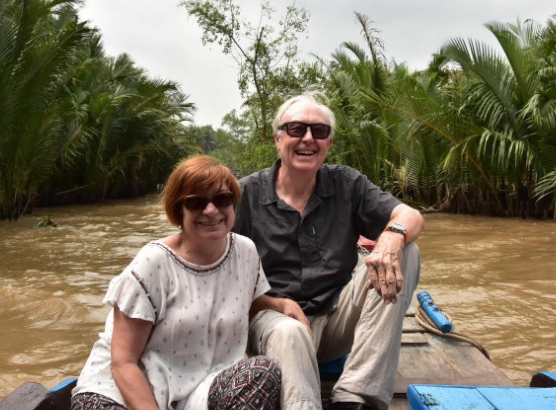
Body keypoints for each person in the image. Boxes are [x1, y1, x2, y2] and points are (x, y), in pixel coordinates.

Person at [233, 92, 424, 410]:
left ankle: (355, 396)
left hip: (335, 320)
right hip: (273, 324)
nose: (308, 138)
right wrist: (274, 302)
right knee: (290, 332)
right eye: (296, 129)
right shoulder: (245, 195)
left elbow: (412, 216)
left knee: (408, 249)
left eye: (319, 131)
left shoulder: (347, 184)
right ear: (278, 138)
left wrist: (392, 236)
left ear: (328, 144)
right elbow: (218, 274)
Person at [71, 155, 308, 410]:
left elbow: (244, 300)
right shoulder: (154, 264)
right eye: (196, 203)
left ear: (233, 205)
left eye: (222, 199)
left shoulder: (245, 251)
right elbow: (123, 363)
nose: (211, 210)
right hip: (123, 392)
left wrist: (280, 303)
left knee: (262, 373)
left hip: (196, 390)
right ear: (178, 211)